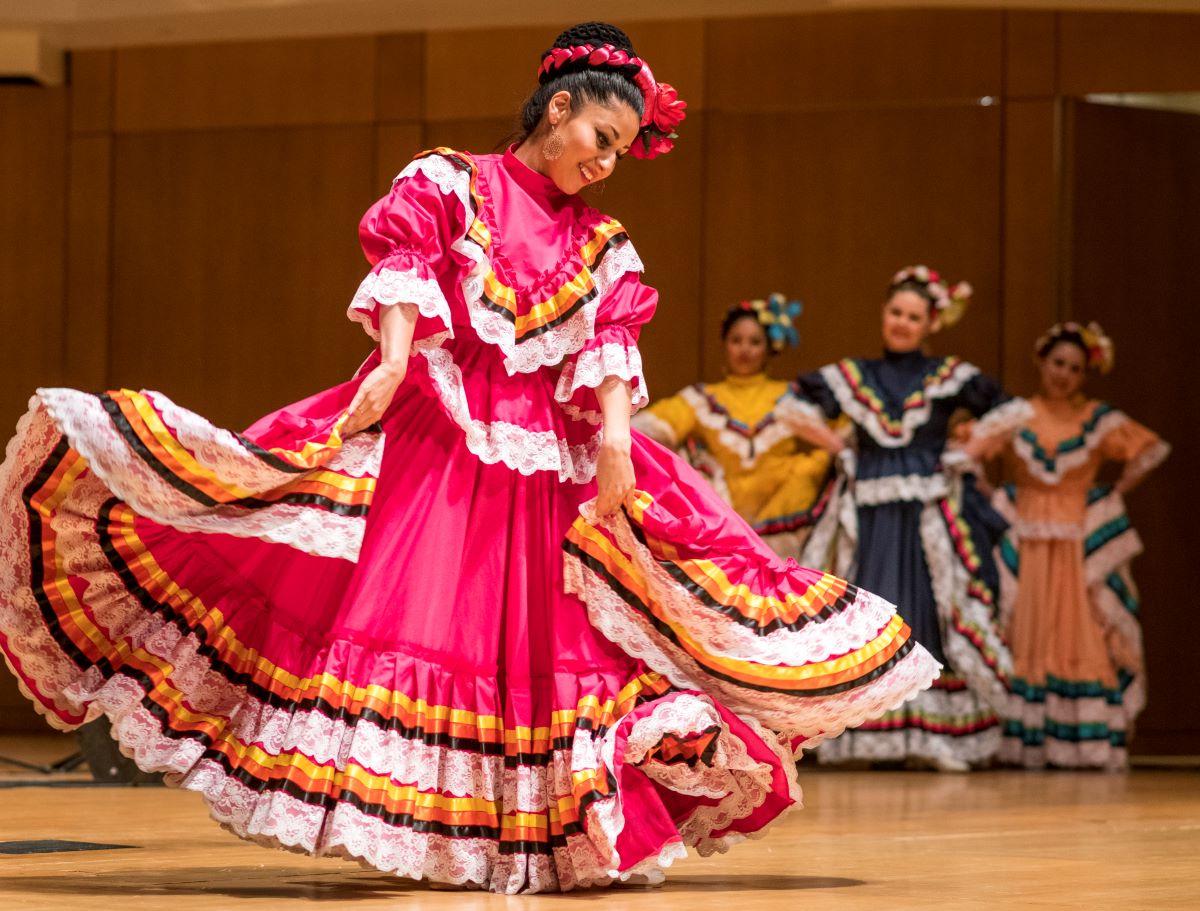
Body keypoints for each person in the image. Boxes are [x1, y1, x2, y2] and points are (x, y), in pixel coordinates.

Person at [0, 23, 937, 893]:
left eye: (621, 151)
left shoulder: (601, 244)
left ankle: (528, 830)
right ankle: (445, 829)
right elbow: (407, 269)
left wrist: (616, 438)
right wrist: (394, 360)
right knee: (410, 611)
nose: (606, 164)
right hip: (441, 439)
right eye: (601, 137)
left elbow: (609, 351)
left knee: (571, 632)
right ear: (558, 107)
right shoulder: (454, 183)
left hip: (549, 469)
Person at [780, 266, 1023, 771]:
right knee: (869, 602)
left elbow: (1010, 410)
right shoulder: (856, 374)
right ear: (884, 313)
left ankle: (929, 732)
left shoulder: (947, 374)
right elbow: (793, 404)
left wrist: (972, 447)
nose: (903, 323)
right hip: (868, 514)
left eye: (914, 317)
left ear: (930, 323)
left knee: (926, 607)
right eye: (896, 312)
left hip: (926, 514)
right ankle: (869, 725)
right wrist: (836, 442)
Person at [986, 322, 1169, 769]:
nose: (1063, 374)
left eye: (1074, 367)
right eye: (1057, 363)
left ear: (1084, 374)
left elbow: (1150, 450)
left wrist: (1112, 495)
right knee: (1025, 625)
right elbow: (970, 450)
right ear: (1042, 363)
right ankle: (1031, 740)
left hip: (1076, 537)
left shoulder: (1095, 418)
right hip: (1028, 531)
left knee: (1083, 625)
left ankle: (1082, 743)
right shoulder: (1018, 413)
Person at [633, 294, 833, 560]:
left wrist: (807, 471)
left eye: (755, 341)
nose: (745, 350)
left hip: (783, 513)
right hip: (723, 516)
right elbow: (653, 426)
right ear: (725, 344)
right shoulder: (704, 399)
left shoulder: (790, 396)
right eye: (736, 340)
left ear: (770, 347)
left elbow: (840, 437)